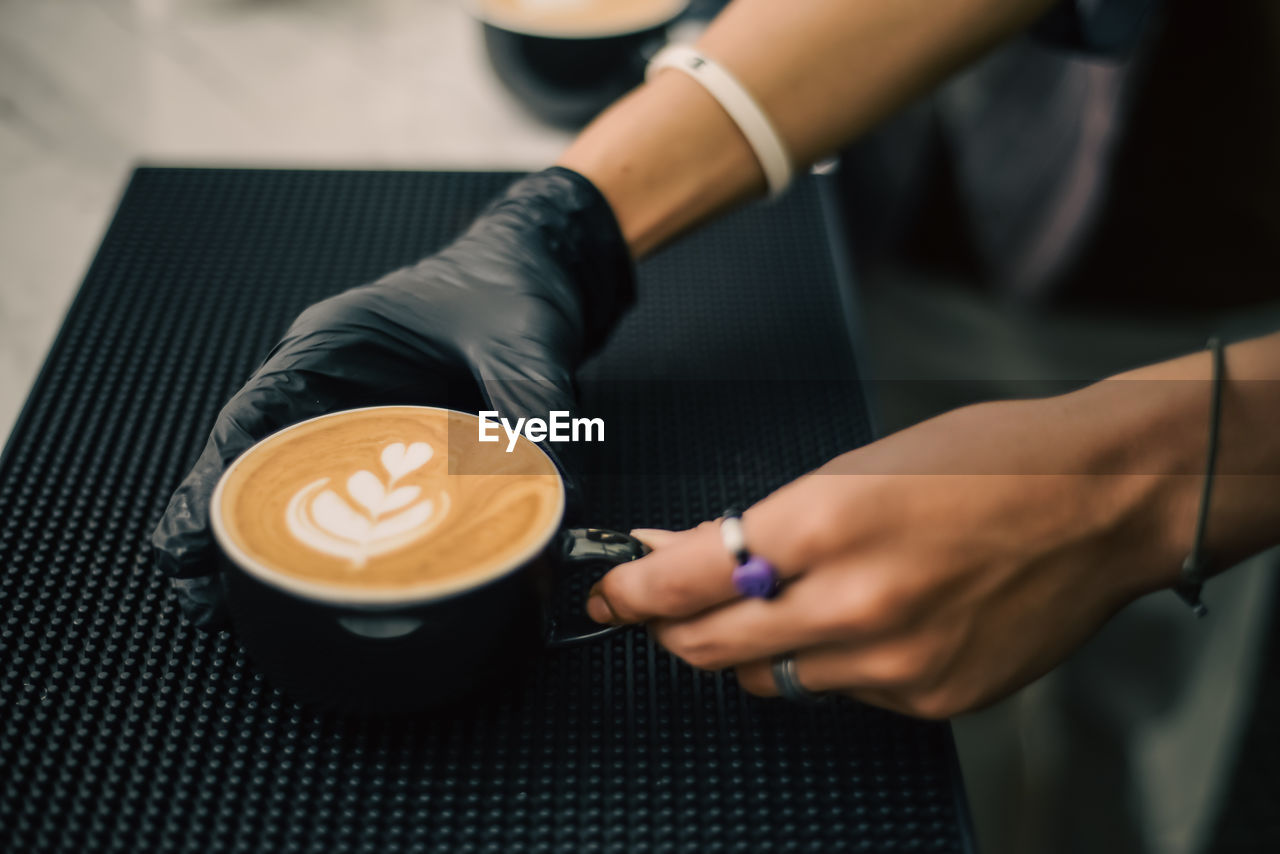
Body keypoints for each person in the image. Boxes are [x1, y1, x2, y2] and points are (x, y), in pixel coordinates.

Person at [152, 1, 1280, 852]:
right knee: (918, 715)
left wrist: (1157, 476)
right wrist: (570, 223)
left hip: (1211, 299)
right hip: (883, 238)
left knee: (1128, 725)